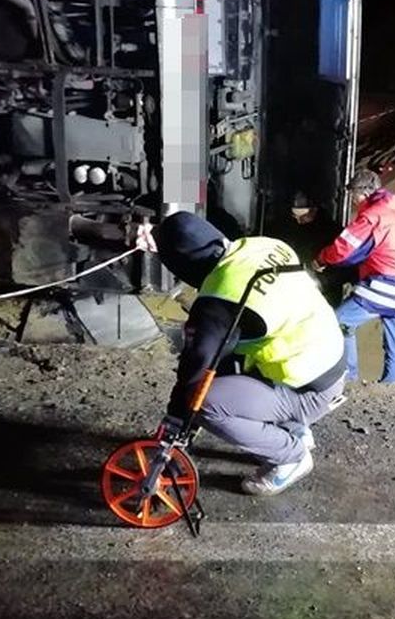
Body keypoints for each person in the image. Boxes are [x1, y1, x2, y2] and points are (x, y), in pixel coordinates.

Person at [149, 211, 347, 495]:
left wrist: (176, 420)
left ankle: (291, 456)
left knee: (204, 402)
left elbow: (195, 369)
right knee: (230, 362)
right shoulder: (261, 245)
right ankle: (293, 428)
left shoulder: (218, 302)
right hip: (326, 357)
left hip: (308, 390)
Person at [314, 169, 395, 383]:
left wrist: (321, 259)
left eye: (353, 196)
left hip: (385, 285)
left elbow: (344, 247)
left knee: (338, 322)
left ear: (363, 194)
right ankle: (391, 387)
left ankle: (350, 378)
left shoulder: (372, 216)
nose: (354, 201)